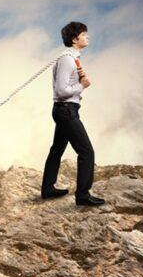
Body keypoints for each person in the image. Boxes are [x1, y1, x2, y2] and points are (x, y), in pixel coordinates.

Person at [41, 22, 105, 206]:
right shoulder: (67, 59)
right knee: (86, 152)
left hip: (65, 110)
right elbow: (61, 90)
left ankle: (48, 189)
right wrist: (82, 86)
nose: (87, 37)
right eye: (84, 34)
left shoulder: (71, 58)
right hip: (66, 110)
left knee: (57, 149)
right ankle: (83, 195)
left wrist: (78, 85)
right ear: (74, 39)